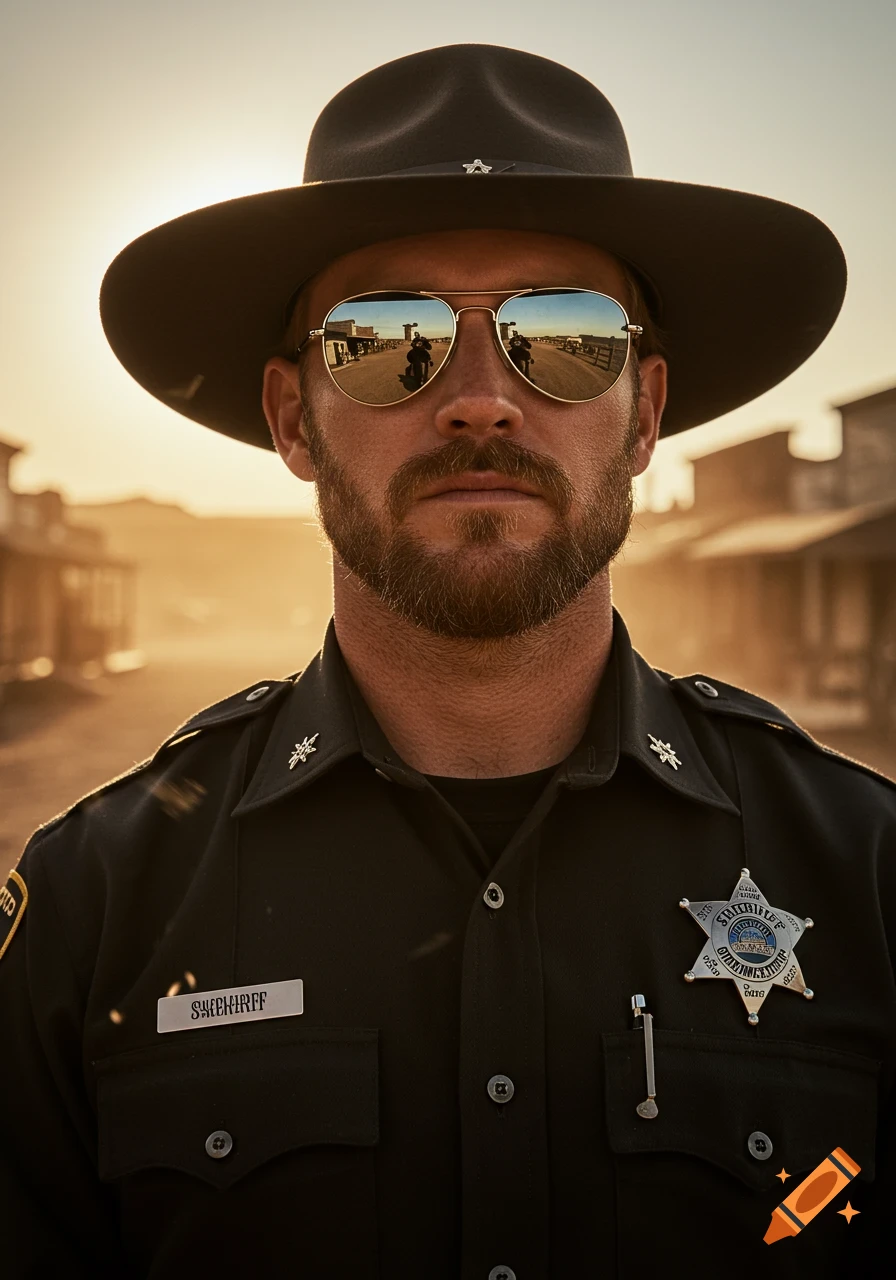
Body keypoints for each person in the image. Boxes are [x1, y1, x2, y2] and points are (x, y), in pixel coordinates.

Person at [1, 43, 892, 1280]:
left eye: (565, 335)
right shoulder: (97, 905)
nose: (480, 398)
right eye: (384, 337)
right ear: (290, 416)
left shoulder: (868, 878)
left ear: (641, 414)